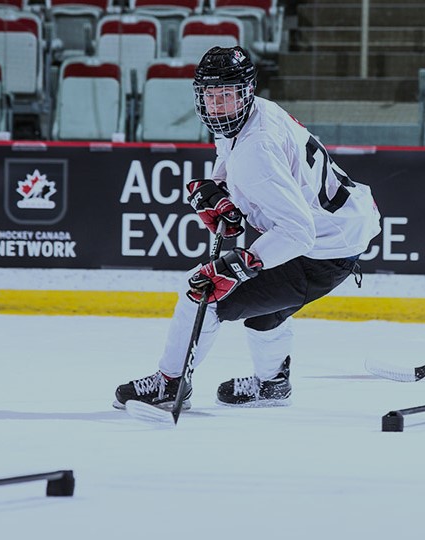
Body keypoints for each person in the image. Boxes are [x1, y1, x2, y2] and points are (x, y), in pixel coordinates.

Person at [114, 46, 381, 409]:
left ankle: (170, 383)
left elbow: (298, 232)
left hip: (323, 247)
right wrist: (220, 190)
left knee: (202, 291)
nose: (217, 105)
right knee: (265, 309)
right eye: (210, 95)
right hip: (338, 228)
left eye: (226, 95)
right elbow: (230, 155)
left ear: (246, 91)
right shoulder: (249, 115)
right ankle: (272, 384)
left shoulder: (258, 149)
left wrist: (242, 264)